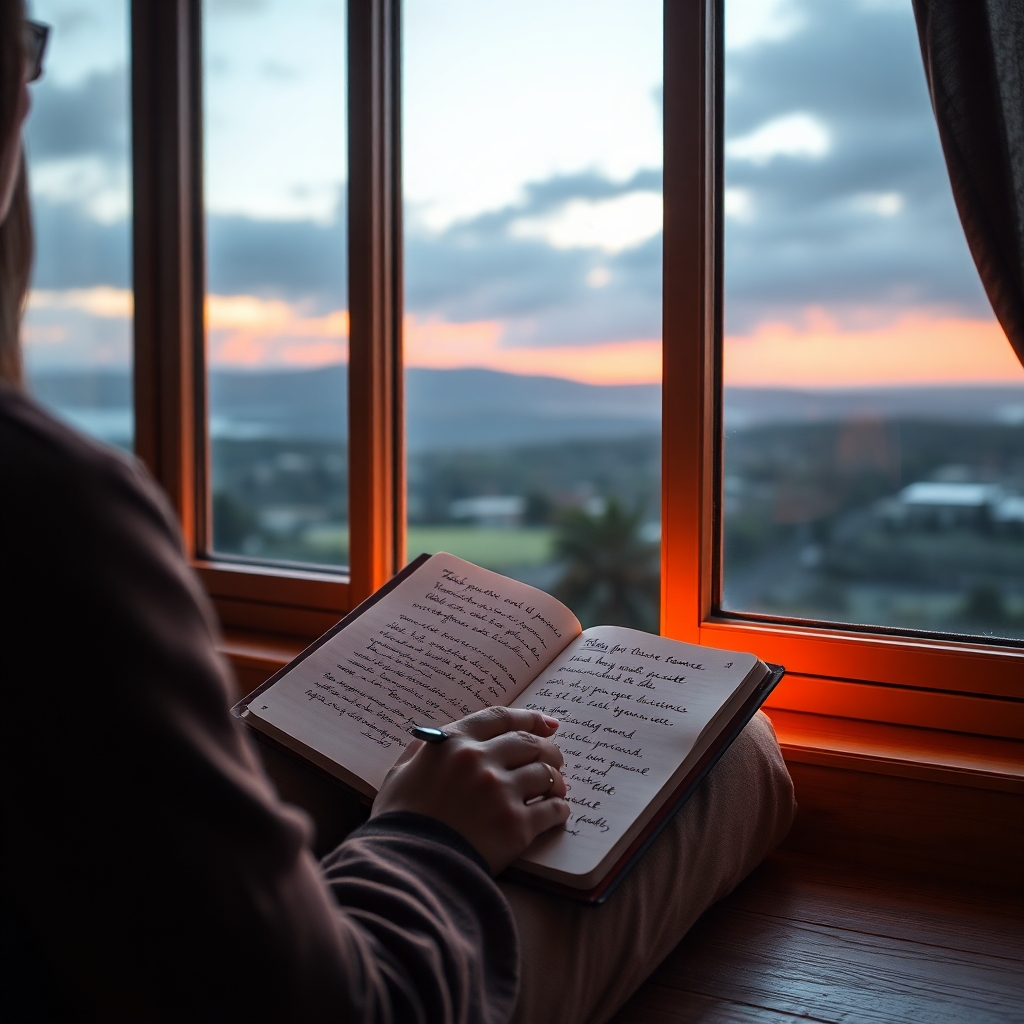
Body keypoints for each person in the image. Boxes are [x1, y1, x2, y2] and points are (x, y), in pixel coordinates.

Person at [0, 3, 795, 1021]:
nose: (32, 82)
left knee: (284, 759)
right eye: (24, 39)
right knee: (730, 760)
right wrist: (431, 839)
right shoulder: (45, 515)